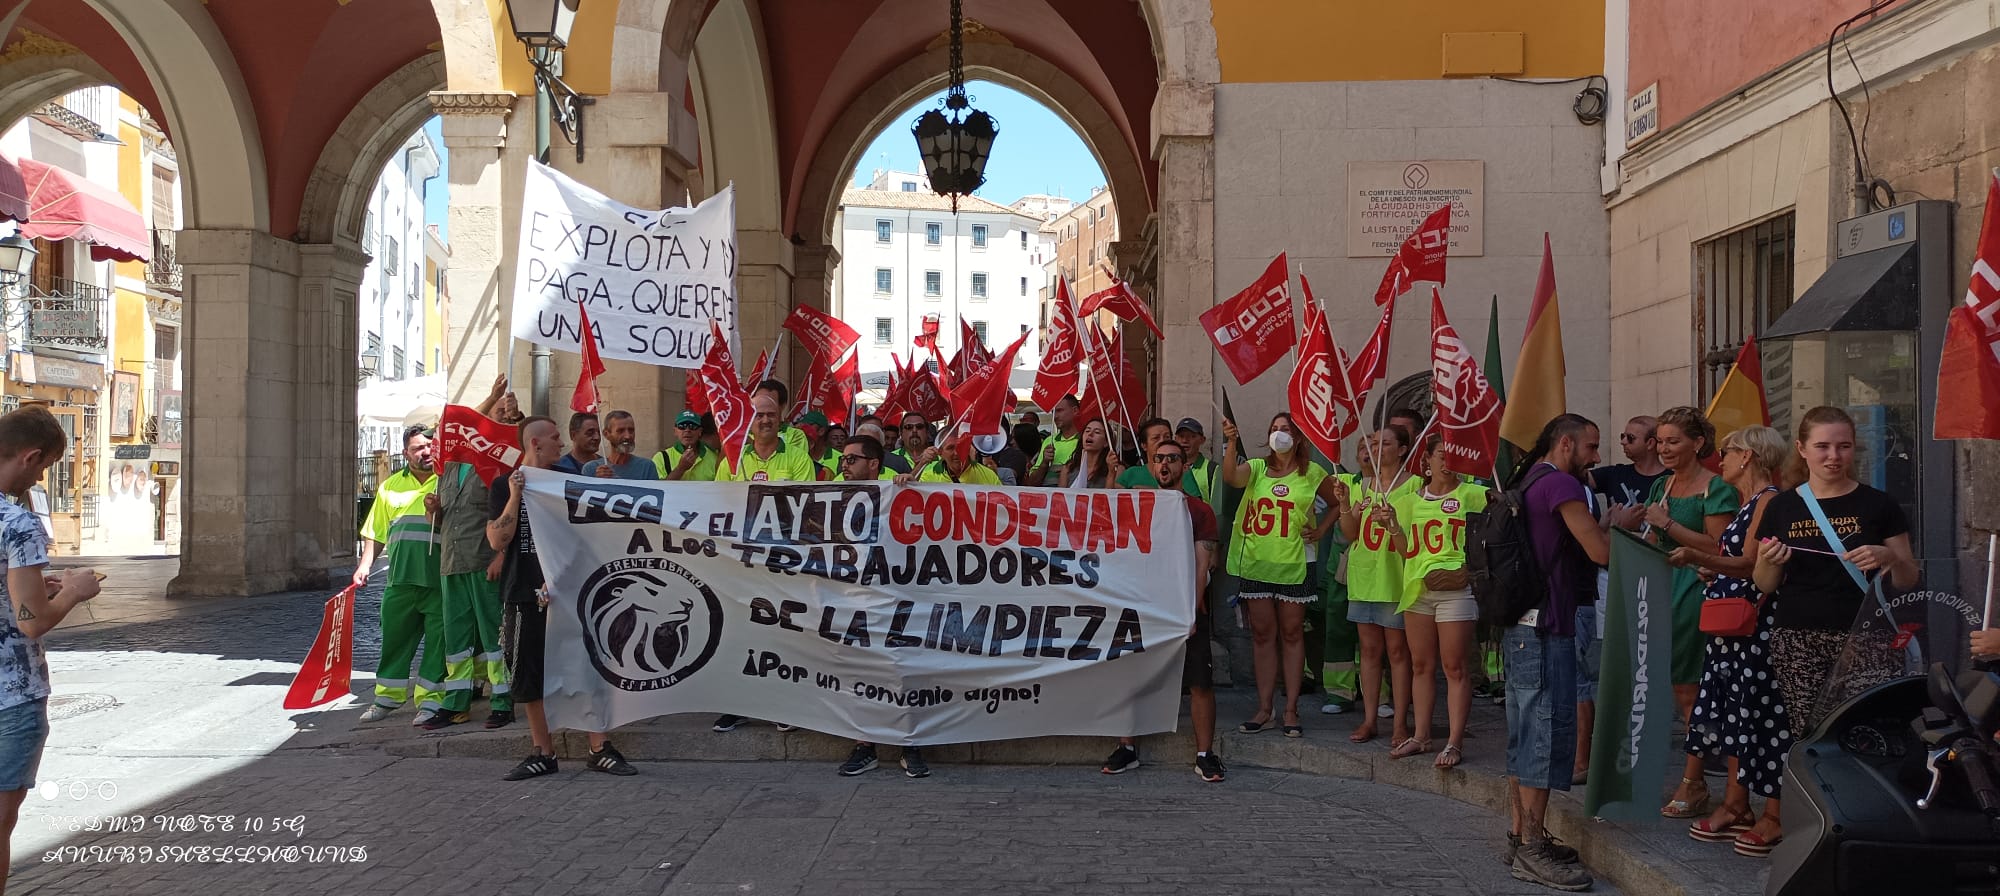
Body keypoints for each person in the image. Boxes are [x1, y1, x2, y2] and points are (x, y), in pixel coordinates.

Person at [1752, 406, 1918, 847]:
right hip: (1798, 636)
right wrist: (1769, 564)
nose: (1833, 456)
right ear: (1803, 449)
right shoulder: (1783, 506)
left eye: (1843, 446)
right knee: (1812, 735)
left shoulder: (1878, 504)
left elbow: (1909, 579)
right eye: (1823, 446)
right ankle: (1822, 828)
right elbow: (1763, 583)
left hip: (1868, 636)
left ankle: (1875, 824)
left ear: (1854, 449)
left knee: (1871, 728)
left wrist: (1888, 558)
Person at [489, 415, 638, 780]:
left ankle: (599, 746)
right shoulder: (503, 484)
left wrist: (603, 491)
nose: (560, 443)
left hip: (571, 591)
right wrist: (515, 495)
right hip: (523, 592)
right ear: (535, 444)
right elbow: (497, 540)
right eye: (554, 438)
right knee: (528, 674)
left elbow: (599, 530)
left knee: (585, 667)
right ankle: (543, 750)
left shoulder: (569, 481)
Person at [1670, 425, 1790, 856]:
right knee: (1735, 715)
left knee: (1757, 714)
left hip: (1753, 629)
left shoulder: (1769, 501)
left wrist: (1699, 557)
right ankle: (1736, 804)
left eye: (1728, 451)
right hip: (1731, 630)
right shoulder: (1747, 503)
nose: (1720, 458)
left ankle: (1765, 811)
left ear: (1750, 457)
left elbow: (1751, 563)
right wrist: (1714, 569)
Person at [1502, 414, 1608, 891]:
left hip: (1523, 628)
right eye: (1591, 446)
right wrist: (1618, 525)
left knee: (1525, 736)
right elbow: (1599, 551)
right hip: (1547, 629)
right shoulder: (1561, 483)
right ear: (1565, 443)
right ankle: (1531, 851)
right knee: (1542, 738)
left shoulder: (1527, 479)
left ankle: (1521, 834)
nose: (1597, 457)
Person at [0, 406, 100, 893]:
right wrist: (74, 590)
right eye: (43, 468)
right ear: (30, 457)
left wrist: (36, 585)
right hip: (9, 696)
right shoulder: (17, 523)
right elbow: (31, 622)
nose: (39, 477)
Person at [1101, 438, 1224, 782]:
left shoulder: (1199, 511)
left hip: (1184, 609)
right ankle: (1127, 747)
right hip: (1143, 607)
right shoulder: (1141, 505)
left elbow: (1203, 563)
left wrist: (1192, 609)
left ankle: (1205, 754)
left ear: (1184, 467)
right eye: (1158, 459)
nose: (1165, 465)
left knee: (1200, 681)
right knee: (1130, 676)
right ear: (1152, 467)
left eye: (1172, 459)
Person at [1641, 406, 1740, 820]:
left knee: (1690, 690)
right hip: (1660, 591)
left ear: (1698, 443)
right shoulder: (1661, 486)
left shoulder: (1715, 488)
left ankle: (1694, 779)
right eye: (1660, 441)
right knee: (1673, 686)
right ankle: (1692, 776)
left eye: (1672, 441)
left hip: (1694, 591)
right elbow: (1650, 538)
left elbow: (1721, 548)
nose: (1663, 449)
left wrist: (1668, 526)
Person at [1219, 413, 1342, 739]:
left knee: (1291, 634)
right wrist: (1231, 442)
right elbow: (1231, 477)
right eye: (1273, 429)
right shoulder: (1258, 469)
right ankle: (1264, 709)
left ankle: (1290, 710)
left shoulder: (1313, 472)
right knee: (1262, 636)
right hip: (1258, 563)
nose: (1278, 434)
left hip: (1296, 564)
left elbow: (1337, 504)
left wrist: (1320, 531)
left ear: (1298, 437)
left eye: (1285, 429)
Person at [1379, 432, 1486, 768]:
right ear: (1426, 460)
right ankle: (1422, 735)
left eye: (1455, 454)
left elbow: (1497, 536)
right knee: (1421, 665)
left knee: (1455, 666)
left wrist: (1469, 570)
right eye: (1441, 454)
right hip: (1418, 590)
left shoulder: (1474, 494)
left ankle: (1454, 741)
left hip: (1456, 591)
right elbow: (1406, 550)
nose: (1447, 461)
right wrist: (1394, 526)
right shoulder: (1410, 500)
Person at [714, 394, 815, 733]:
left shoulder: (799, 458)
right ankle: (736, 704)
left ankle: (783, 706)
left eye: (771, 414)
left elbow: (805, 506)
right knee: (738, 634)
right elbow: (716, 505)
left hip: (782, 563)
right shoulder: (732, 459)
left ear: (781, 417)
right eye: (759, 415)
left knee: (781, 635)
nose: (765, 420)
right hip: (740, 563)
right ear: (749, 420)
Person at [834, 434, 932, 778]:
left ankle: (910, 746)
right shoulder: (833, 493)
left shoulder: (897, 491)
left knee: (902, 673)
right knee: (860, 676)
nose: (844, 466)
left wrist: (911, 482)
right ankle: (865, 746)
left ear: (873, 464)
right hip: (853, 601)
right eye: (843, 459)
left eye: (852, 460)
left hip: (897, 600)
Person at [427, 393, 515, 730]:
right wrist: (433, 507)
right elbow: (442, 513)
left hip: (482, 560)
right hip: (451, 562)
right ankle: (456, 703)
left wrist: (500, 555)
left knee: (494, 637)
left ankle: (502, 700)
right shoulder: (447, 467)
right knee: (457, 639)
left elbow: (508, 516)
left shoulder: (495, 467)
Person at [354, 425, 448, 726]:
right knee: (394, 641)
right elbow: (375, 532)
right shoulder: (390, 486)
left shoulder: (447, 480)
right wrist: (365, 564)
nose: (424, 452)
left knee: (438, 644)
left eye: (429, 446)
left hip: (438, 580)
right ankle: (386, 699)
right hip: (400, 581)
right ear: (405, 452)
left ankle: (430, 701)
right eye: (417, 447)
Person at [1338, 426, 1418, 742]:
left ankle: (1399, 722)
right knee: (1368, 651)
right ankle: (1369, 719)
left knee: (1398, 653)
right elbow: (1350, 533)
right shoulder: (1363, 485)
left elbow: (1410, 544)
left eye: (1385, 443)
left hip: (1394, 579)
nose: (1377, 448)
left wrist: (1393, 523)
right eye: (1374, 443)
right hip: (1364, 578)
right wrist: (1346, 506)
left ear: (1401, 449)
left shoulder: (1414, 487)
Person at [1594, 415, 1667, 508]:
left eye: (1630, 437)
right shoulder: (1613, 474)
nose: (1623, 442)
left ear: (1650, 443)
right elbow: (1575, 479)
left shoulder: (1671, 480)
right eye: (1622, 436)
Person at [1114, 417, 1200, 495]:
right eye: (1156, 438)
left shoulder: (1182, 471)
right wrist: (1111, 473)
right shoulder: (1131, 474)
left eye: (1167, 437)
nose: (1162, 441)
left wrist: (1148, 492)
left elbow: (1195, 505)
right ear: (1144, 445)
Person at [898, 434, 1002, 486]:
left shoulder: (989, 476)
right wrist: (907, 480)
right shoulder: (928, 476)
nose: (956, 453)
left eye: (961, 447)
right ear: (940, 453)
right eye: (950, 448)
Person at [582, 410, 658, 479]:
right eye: (620, 431)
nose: (627, 436)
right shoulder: (591, 469)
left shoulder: (647, 467)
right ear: (606, 434)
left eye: (631, 430)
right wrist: (596, 482)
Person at [1025, 395, 1081, 486]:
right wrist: (1044, 463)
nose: (1055, 416)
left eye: (1059, 411)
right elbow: (1031, 484)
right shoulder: (1048, 441)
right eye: (1053, 412)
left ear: (1075, 411)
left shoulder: (1085, 441)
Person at [1053, 418, 1119, 489]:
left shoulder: (1116, 468)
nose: (1090, 434)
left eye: (1097, 432)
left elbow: (1111, 498)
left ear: (1106, 442)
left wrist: (1111, 473)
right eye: (1087, 431)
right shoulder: (1068, 468)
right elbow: (1060, 497)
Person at [656, 411, 721, 482]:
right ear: (675, 431)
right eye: (682, 426)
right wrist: (680, 469)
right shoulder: (661, 458)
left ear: (700, 431)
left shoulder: (714, 457)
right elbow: (657, 490)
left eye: (692, 426)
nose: (687, 430)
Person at [1175, 418, 1216, 503]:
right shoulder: (1169, 467)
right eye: (1181, 436)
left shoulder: (1211, 469)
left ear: (1202, 440)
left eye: (1192, 436)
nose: (1185, 441)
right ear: (1175, 439)